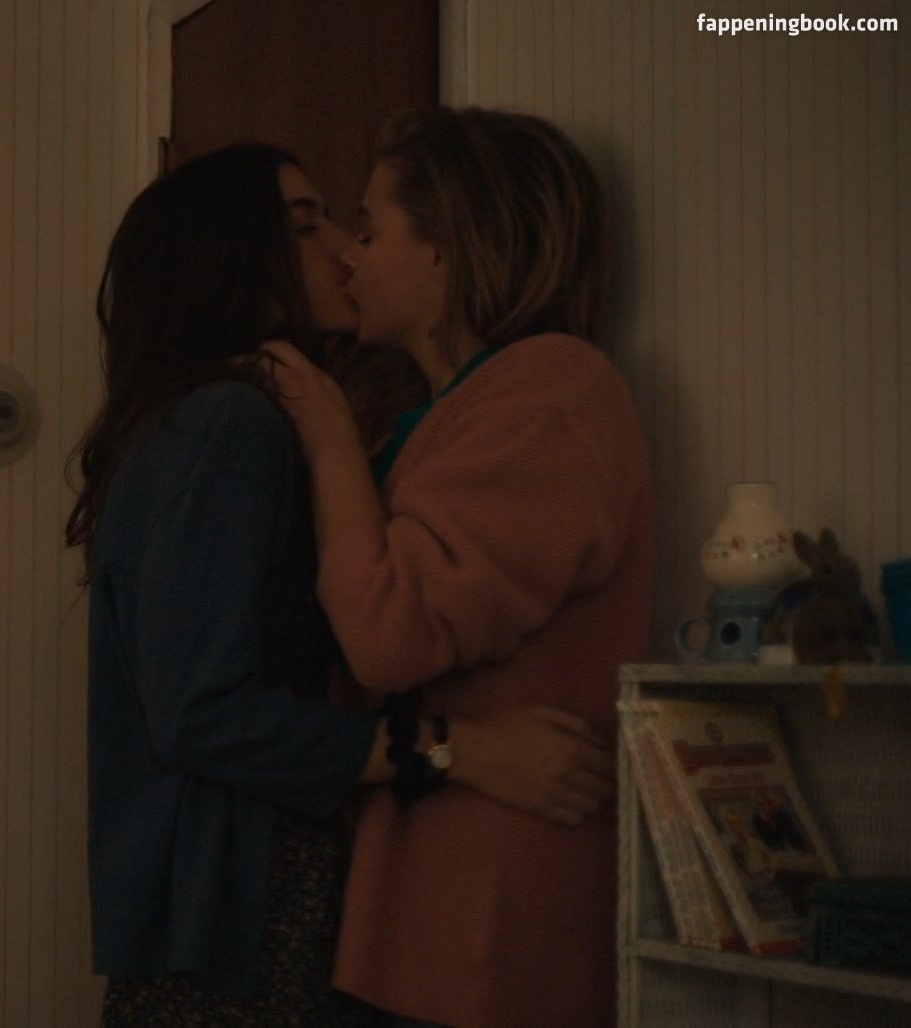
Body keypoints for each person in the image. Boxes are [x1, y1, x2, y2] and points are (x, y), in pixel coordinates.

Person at [71, 142, 619, 1027]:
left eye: (351, 223)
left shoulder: (232, 421)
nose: (341, 248)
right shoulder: (228, 424)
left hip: (236, 913)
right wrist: (461, 750)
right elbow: (203, 711)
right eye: (307, 225)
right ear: (230, 257)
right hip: (240, 918)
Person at [261, 108, 655, 1027]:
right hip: (415, 912)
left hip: (483, 927)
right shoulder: (445, 412)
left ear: (446, 248)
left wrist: (328, 442)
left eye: (370, 229)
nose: (348, 255)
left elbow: (386, 633)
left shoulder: (551, 390)